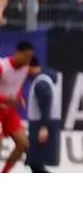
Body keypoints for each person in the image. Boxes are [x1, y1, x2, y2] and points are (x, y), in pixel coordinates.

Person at [0, 41, 35, 173]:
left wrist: (19, 97)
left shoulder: (25, 69)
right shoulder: (3, 67)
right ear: (17, 53)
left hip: (9, 112)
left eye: (30, 57)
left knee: (23, 144)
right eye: (26, 56)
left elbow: (16, 86)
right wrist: (7, 99)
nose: (28, 60)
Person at [25, 56, 60, 173]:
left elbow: (45, 105)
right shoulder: (45, 80)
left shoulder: (41, 83)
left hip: (39, 125)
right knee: (35, 165)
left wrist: (44, 127)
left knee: (35, 164)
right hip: (42, 124)